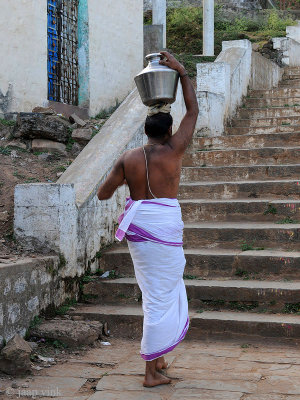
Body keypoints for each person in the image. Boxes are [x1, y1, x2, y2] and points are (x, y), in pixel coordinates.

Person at [97, 51, 199, 387]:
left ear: (145, 131)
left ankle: (159, 358)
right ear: (169, 130)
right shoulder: (174, 150)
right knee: (160, 296)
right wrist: (181, 71)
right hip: (164, 225)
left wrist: (128, 179)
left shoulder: (129, 157)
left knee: (158, 291)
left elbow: (102, 194)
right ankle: (150, 372)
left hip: (141, 230)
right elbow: (193, 109)